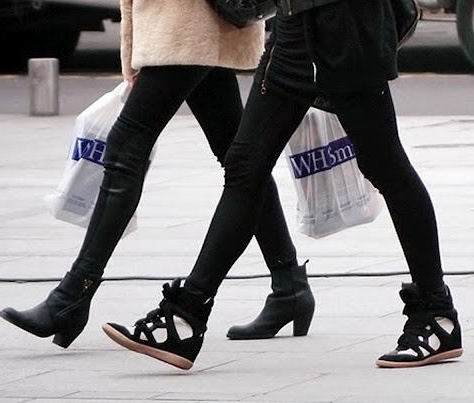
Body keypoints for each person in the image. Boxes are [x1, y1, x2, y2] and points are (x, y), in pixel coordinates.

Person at [103, 0, 463, 370]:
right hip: (294, 28)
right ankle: (186, 316)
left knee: (385, 165)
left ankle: (437, 315)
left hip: (345, 27)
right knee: (245, 167)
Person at [0, 0, 315, 348]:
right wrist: (134, 52)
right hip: (195, 24)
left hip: (185, 23)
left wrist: (138, 52)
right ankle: (289, 286)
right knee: (240, 159)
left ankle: (72, 295)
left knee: (126, 145)